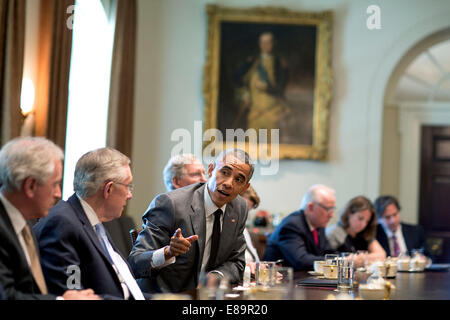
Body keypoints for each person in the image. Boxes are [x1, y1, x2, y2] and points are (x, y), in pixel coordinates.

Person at [128, 148, 254, 293]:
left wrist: (215, 277)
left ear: (245, 187)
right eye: (224, 172)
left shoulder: (239, 208)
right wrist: (168, 252)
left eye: (238, 179)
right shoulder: (170, 204)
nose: (228, 183)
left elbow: (236, 262)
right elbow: (135, 263)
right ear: (211, 170)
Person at [34, 147, 147, 300]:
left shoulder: (93, 221)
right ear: (109, 189)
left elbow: (124, 287)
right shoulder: (62, 224)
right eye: (128, 186)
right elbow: (72, 295)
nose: (129, 195)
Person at [0, 137, 100, 300]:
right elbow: (6, 296)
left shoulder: (25, 226)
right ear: (30, 186)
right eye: (54, 184)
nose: (58, 193)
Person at [263, 184, 337, 271]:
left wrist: (346, 259)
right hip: (282, 281)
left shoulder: (318, 225)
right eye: (327, 209)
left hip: (303, 279)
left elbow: (328, 253)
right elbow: (301, 261)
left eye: (332, 209)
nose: (331, 215)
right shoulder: (292, 225)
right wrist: (338, 262)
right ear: (311, 207)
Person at [234, 31, 290, 132]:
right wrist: (244, 94)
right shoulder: (252, 62)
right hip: (254, 113)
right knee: (251, 145)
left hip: (272, 113)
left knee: (271, 146)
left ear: (273, 44)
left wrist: (266, 87)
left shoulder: (280, 64)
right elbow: (237, 79)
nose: (265, 45)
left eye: (268, 42)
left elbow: (281, 89)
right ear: (259, 44)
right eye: (262, 42)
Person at [326, 196, 386, 266]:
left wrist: (360, 258)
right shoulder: (334, 232)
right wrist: (365, 258)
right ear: (349, 214)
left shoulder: (365, 233)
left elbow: (381, 255)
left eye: (367, 221)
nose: (364, 225)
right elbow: (329, 260)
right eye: (360, 218)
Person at [240, 186, 262, 264]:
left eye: (248, 210)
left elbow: (256, 261)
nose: (245, 214)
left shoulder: (245, 231)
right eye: (242, 208)